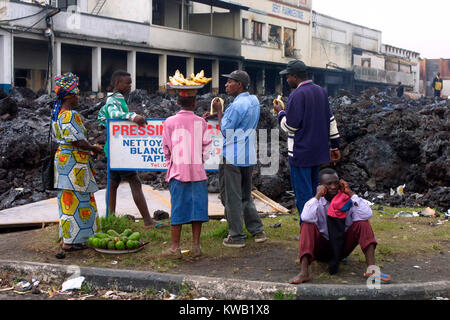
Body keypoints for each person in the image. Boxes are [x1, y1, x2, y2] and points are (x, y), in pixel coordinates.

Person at [289, 168, 392, 285]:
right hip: (320, 249)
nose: (333, 187)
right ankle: (304, 272)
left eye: (336, 183)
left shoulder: (346, 200)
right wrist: (317, 196)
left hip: (341, 247)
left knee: (363, 223)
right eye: (328, 184)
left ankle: (372, 270)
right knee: (307, 225)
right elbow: (306, 217)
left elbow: (367, 214)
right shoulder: (316, 203)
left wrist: (350, 193)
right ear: (321, 186)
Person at [273, 60, 341, 225]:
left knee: (303, 196)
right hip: (318, 153)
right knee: (314, 193)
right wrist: (335, 145)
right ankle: (318, 226)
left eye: (288, 76)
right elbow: (331, 120)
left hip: (301, 153)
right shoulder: (321, 92)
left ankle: (308, 231)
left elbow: (290, 126)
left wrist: (281, 113)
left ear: (294, 76)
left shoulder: (297, 94)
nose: (287, 80)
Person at [97, 70, 167, 229]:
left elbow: (102, 117)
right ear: (117, 84)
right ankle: (148, 221)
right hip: (120, 150)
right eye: (127, 83)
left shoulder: (115, 98)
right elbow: (113, 113)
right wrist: (133, 117)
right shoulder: (114, 99)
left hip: (114, 148)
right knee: (134, 181)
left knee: (113, 183)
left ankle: (110, 219)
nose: (130, 86)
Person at [208, 70, 267, 248]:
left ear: (239, 85)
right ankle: (257, 231)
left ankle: (236, 236)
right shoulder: (254, 101)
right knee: (245, 195)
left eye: (230, 82)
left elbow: (226, 130)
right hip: (248, 154)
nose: (226, 85)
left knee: (231, 196)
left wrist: (219, 112)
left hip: (232, 156)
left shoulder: (235, 106)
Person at [51, 72, 104, 251]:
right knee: (79, 200)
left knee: (67, 199)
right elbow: (78, 141)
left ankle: (68, 236)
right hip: (74, 164)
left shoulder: (57, 114)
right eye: (77, 94)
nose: (79, 97)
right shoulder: (70, 115)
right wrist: (94, 148)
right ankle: (73, 240)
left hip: (64, 162)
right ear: (70, 96)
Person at [161, 89, 212, 259]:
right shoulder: (201, 123)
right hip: (198, 172)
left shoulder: (169, 122)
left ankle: (175, 247)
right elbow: (207, 147)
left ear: (177, 102)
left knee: (177, 208)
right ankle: (196, 245)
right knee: (198, 208)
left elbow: (166, 148)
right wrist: (199, 161)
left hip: (178, 172)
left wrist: (171, 163)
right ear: (194, 103)